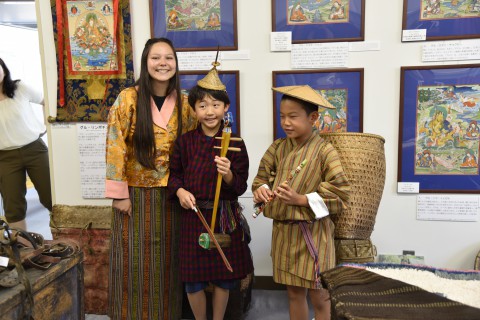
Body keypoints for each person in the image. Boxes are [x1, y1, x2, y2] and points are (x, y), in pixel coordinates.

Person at [105, 38, 197, 320]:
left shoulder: (184, 103)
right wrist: (119, 193)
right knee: (133, 261)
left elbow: (194, 148)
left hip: (173, 194)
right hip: (134, 195)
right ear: (146, 63)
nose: (162, 64)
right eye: (155, 58)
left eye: (168, 58)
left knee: (168, 262)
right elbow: (115, 144)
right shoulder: (128, 99)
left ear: (175, 64)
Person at [252, 85, 350, 320]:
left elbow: (342, 194)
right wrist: (261, 191)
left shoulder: (325, 151)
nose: (286, 122)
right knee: (294, 293)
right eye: (282, 116)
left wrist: (302, 199)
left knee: (319, 295)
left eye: (293, 117)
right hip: (284, 234)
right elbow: (260, 179)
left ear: (313, 118)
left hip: (314, 235)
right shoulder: (277, 147)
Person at [168, 60, 253, 320]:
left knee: (223, 279)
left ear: (226, 107)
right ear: (193, 110)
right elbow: (174, 176)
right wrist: (181, 192)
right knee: (193, 281)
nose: (209, 111)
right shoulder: (184, 142)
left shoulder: (235, 142)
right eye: (202, 105)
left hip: (224, 217)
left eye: (216, 105)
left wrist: (227, 174)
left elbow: (240, 186)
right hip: (193, 217)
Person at [0, 57, 52, 231]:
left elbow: (46, 100)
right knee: (13, 207)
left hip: (34, 149)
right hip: (4, 157)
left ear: (4, 69)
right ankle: (24, 251)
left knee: (51, 197)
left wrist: (47, 125)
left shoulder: (19, 87)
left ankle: (64, 240)